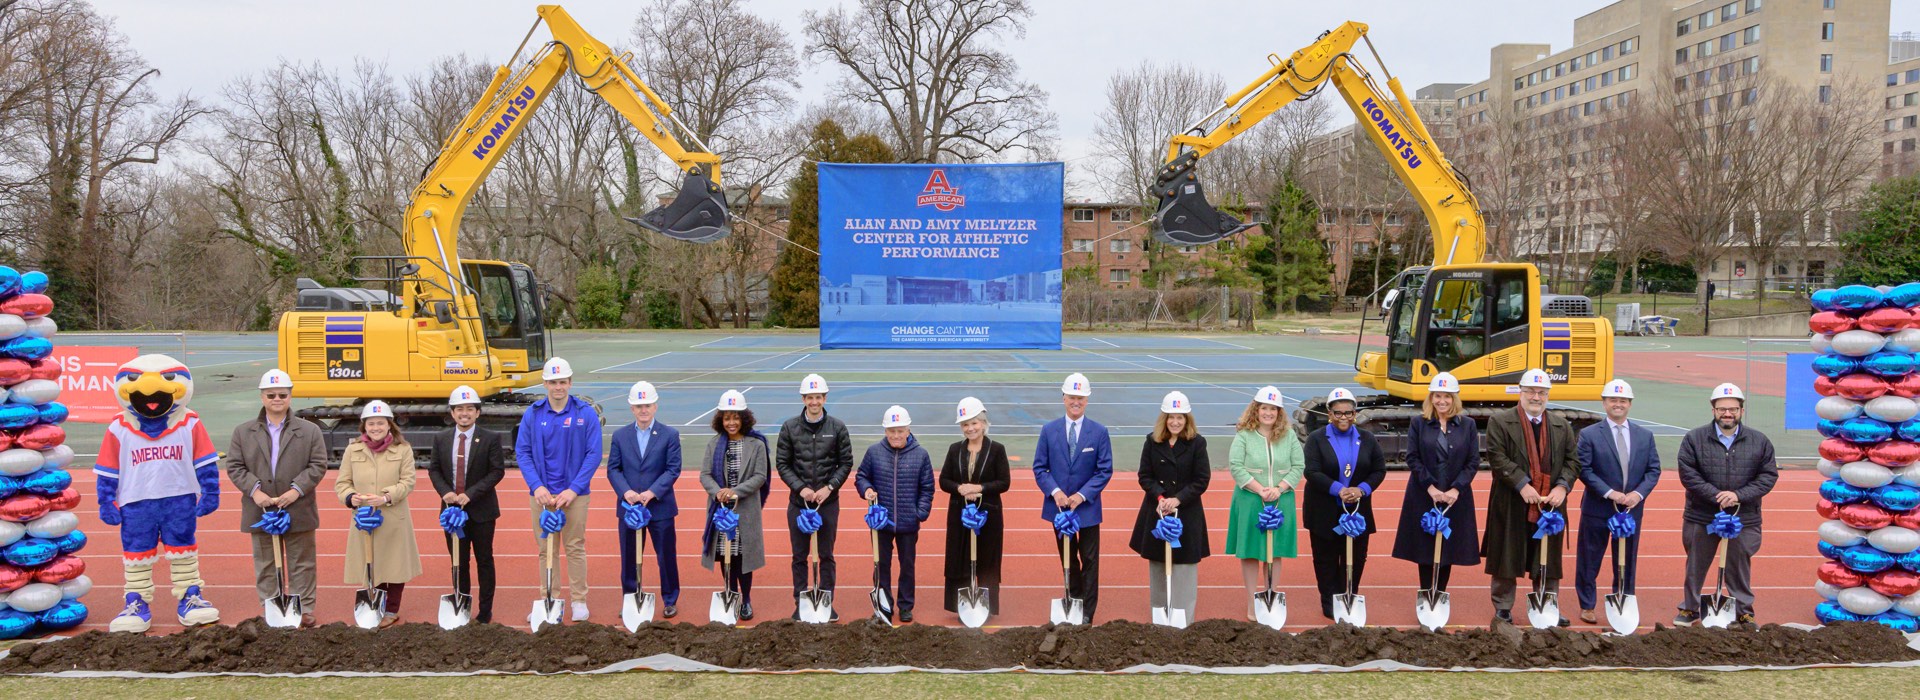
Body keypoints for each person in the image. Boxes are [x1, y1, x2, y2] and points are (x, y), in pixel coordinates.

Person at [222, 369, 329, 628]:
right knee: (266, 563)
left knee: (301, 562)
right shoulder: (243, 431)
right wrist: (255, 492)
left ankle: (304, 607)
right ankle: (271, 606)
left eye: (282, 394)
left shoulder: (310, 430)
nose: (277, 399)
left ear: (290, 396)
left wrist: (295, 491)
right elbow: (235, 466)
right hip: (260, 509)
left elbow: (318, 465)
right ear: (262, 397)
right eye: (271, 395)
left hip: (298, 506)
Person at [1674, 383, 1777, 626]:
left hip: (1745, 516)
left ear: (1742, 410)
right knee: (1695, 564)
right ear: (1713, 410)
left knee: (1739, 565)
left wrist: (1738, 495)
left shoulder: (1759, 441)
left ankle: (1743, 610)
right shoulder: (1694, 438)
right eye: (1722, 409)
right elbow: (1688, 474)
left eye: (1733, 409)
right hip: (1701, 515)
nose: (1727, 414)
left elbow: (1768, 476)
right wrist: (1717, 495)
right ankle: (1689, 607)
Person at [1483, 368, 1577, 626]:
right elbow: (1496, 456)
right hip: (1512, 501)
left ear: (1547, 395)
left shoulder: (1561, 425)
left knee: (1548, 556)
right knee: (1506, 554)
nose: (1536, 397)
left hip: (1550, 504)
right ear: (1521, 392)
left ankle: (1547, 604)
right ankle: (1502, 607)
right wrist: (1522, 484)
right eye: (1531, 391)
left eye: (1542, 392)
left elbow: (1572, 461)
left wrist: (1562, 487)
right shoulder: (1500, 421)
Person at [514, 357, 603, 622]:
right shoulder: (533, 413)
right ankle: (547, 599)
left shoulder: (585, 413)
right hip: (542, 496)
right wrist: (537, 486)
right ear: (545, 384)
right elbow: (523, 451)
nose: (558, 387)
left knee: (574, 547)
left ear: (570, 382)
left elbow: (593, 454)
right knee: (546, 550)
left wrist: (574, 489)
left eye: (562, 382)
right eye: (553, 382)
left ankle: (578, 600)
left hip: (574, 496)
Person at [1390, 373, 1481, 613]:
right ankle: (1425, 592)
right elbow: (1412, 457)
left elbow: (1473, 461)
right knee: (1425, 547)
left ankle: (1439, 593)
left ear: (1454, 399)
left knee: (1448, 546)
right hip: (1423, 494)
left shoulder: (1468, 425)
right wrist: (1430, 486)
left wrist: (1455, 489)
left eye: (1447, 397)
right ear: (1431, 398)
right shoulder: (1418, 423)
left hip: (1455, 497)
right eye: (1438, 396)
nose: (1442, 401)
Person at [1575, 379, 1660, 625]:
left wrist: (1638, 494)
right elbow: (1585, 470)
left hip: (1631, 509)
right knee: (1590, 558)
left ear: (1630, 404)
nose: (1618, 404)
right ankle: (1587, 604)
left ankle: (1623, 598)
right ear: (1604, 403)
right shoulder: (1589, 435)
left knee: (1626, 558)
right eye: (1613, 400)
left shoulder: (1644, 436)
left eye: (1623, 400)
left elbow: (1653, 470)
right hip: (1598, 508)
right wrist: (1609, 493)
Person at [1032, 372, 1114, 621]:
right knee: (1067, 558)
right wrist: (1055, 493)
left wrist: (1081, 495)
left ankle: (1087, 611)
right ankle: (1073, 599)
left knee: (1089, 559)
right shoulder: (1049, 430)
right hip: (1059, 510)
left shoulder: (1099, 432)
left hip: (1086, 509)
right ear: (1063, 398)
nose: (1075, 402)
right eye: (1071, 397)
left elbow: (1104, 470)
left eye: (1081, 397)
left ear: (1087, 400)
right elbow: (1040, 468)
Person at [335, 401, 422, 628]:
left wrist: (386, 497)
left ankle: (391, 609)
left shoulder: (403, 450)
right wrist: (350, 497)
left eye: (380, 423)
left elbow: (408, 481)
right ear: (364, 426)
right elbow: (342, 482)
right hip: (364, 518)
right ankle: (375, 604)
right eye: (371, 423)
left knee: (395, 565)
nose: (375, 427)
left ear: (389, 425)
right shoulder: (352, 450)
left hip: (393, 518)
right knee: (370, 562)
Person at [1127, 391, 1211, 624]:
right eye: (1171, 417)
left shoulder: (1197, 443)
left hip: (1187, 512)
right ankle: (1160, 616)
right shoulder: (1152, 441)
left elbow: (1202, 479)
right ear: (1164, 418)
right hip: (1157, 512)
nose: (1175, 422)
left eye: (1180, 417)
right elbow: (1145, 476)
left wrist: (1178, 499)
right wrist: (1161, 497)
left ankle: (1183, 619)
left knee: (1184, 567)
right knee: (1158, 565)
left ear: (1187, 419)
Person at [426, 385, 507, 624]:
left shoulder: (491, 438)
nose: (464, 413)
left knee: (484, 560)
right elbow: (434, 470)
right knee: (458, 561)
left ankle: (484, 611)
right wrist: (446, 493)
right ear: (452, 413)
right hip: (452, 512)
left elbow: (496, 472)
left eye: (469, 409)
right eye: (459, 409)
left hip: (482, 511)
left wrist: (470, 494)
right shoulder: (440, 439)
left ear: (477, 412)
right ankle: (461, 605)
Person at [1303, 387, 1386, 620]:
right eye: (1338, 413)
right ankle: (1329, 601)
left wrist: (1361, 490)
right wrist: (1339, 490)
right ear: (1329, 413)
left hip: (1358, 511)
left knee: (1356, 558)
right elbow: (1312, 471)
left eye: (1348, 413)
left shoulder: (1367, 439)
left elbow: (1379, 469)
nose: (1343, 417)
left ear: (1355, 413)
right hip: (1324, 511)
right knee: (1325, 558)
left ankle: (1349, 595)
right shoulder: (1316, 439)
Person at [776, 373, 852, 621]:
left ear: (825, 397)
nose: (814, 401)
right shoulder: (789, 427)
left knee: (826, 554)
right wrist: (802, 489)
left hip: (827, 503)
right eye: (810, 397)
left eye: (818, 397)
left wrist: (829, 487)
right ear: (803, 398)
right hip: (798, 503)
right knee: (799, 555)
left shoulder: (838, 427)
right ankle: (801, 602)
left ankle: (826, 600)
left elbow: (846, 462)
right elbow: (782, 464)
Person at [1223, 386, 1302, 619]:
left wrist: (1279, 488)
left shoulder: (1289, 435)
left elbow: (1298, 465)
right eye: (1264, 408)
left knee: (1274, 551)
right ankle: (1251, 601)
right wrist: (1259, 489)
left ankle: (1271, 595)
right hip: (1250, 500)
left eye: (1273, 409)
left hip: (1281, 500)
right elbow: (1236, 466)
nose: (1268, 413)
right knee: (1249, 551)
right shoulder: (1244, 435)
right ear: (1256, 410)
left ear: (1279, 412)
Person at [607, 381, 683, 619]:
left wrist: (652, 492)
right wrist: (626, 492)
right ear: (631, 408)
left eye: (647, 405)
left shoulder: (670, 434)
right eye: (638, 406)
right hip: (629, 508)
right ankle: (631, 598)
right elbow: (613, 469)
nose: (643, 410)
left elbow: (673, 469)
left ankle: (670, 599)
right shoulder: (620, 436)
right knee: (629, 556)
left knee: (666, 556)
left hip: (660, 507)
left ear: (655, 406)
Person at [857, 405, 935, 622]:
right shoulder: (874, 452)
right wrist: (867, 490)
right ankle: (884, 604)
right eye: (891, 430)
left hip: (908, 523)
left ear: (908, 430)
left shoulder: (921, 455)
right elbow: (862, 476)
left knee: (907, 565)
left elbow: (927, 488)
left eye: (900, 430)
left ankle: (906, 605)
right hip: (880, 522)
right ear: (885, 431)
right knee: (881, 564)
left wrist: (919, 513)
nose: (896, 435)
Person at [701, 390, 770, 621]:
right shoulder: (714, 444)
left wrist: (735, 492)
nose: (732, 422)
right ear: (721, 419)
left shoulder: (756, 444)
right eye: (727, 418)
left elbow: (760, 476)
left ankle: (746, 599)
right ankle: (730, 593)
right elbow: (705, 475)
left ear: (744, 418)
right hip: (720, 510)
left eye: (736, 417)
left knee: (743, 556)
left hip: (745, 509)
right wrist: (718, 492)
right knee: (725, 554)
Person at [940, 397, 1010, 618]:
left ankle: (986, 606)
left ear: (983, 423)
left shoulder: (997, 450)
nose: (970, 428)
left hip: (988, 515)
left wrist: (979, 488)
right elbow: (944, 481)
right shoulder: (954, 450)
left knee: (987, 559)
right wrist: (960, 488)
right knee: (958, 558)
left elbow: (1004, 483)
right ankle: (959, 606)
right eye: (965, 424)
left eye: (974, 423)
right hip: (959, 514)